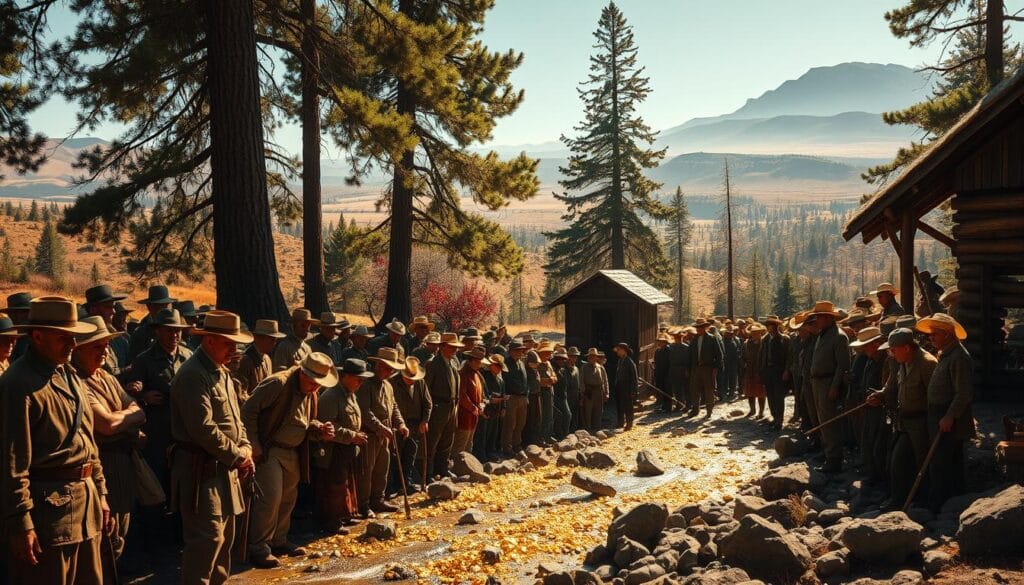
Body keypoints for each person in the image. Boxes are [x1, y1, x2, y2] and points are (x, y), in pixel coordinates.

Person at [0, 296, 112, 585]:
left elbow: (88, 443)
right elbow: (12, 464)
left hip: (85, 508)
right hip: (48, 519)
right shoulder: (18, 384)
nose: (73, 345)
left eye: (74, 337)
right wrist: (21, 523)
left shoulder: (68, 374)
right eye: (64, 337)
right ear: (37, 336)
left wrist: (100, 492)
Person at [169, 310, 254, 585]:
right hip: (200, 473)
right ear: (209, 341)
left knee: (225, 539)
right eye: (229, 342)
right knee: (207, 540)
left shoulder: (222, 372)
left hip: (223, 470)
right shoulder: (193, 375)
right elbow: (203, 429)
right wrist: (239, 455)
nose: (234, 348)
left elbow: (235, 419)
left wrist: (245, 447)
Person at [241, 353, 336, 568]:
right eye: (311, 382)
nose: (314, 388)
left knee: (288, 497)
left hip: (293, 451)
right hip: (269, 449)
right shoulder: (278, 383)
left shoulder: (311, 391)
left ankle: (279, 540)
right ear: (302, 372)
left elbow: (304, 421)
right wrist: (253, 443)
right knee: (270, 498)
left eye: (318, 384)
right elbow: (248, 411)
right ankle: (259, 547)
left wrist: (319, 428)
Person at [72, 316, 147, 581]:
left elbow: (137, 410)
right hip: (103, 465)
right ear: (77, 349)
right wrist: (126, 416)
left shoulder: (105, 376)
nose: (104, 351)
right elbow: (105, 425)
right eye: (96, 346)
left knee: (120, 531)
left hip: (123, 464)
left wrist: (122, 417)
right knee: (106, 535)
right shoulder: (78, 382)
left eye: (106, 345)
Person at [122, 307, 192, 550]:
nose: (174, 336)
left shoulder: (188, 356)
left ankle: (179, 538)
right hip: (157, 436)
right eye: (169, 331)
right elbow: (129, 397)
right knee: (156, 489)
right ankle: (155, 543)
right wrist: (143, 398)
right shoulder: (144, 360)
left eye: (178, 331)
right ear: (157, 332)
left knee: (181, 487)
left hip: (183, 435)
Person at [867, 328, 936, 508]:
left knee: (923, 462)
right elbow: (892, 386)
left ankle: (925, 502)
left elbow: (934, 399)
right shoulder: (902, 361)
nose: (890, 353)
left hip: (921, 423)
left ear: (906, 347)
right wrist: (880, 395)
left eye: (893, 349)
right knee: (895, 460)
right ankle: (898, 499)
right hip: (904, 422)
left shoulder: (927, 363)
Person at [916, 313, 974, 510]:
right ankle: (952, 503)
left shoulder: (959, 357)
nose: (930, 338)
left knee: (941, 461)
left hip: (949, 417)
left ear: (947, 335)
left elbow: (964, 392)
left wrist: (950, 416)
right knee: (947, 460)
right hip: (940, 415)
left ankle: (940, 503)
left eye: (934, 335)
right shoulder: (947, 354)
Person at [314, 359, 371, 533]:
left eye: (362, 380)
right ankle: (331, 522)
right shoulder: (331, 396)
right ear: (345, 376)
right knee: (334, 486)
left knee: (345, 485)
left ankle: (343, 515)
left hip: (347, 449)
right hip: (333, 451)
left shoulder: (350, 394)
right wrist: (353, 436)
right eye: (357, 379)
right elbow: (330, 426)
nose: (360, 383)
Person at [357, 347, 408, 515]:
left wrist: (400, 424)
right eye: (387, 368)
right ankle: (363, 504)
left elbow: (393, 407)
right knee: (367, 471)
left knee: (382, 469)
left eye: (392, 369)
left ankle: (378, 500)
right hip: (370, 435)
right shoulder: (366, 384)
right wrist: (380, 428)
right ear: (378, 365)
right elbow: (365, 412)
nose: (389, 372)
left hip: (385, 435)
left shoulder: (388, 385)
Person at [807, 301, 851, 473]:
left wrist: (834, 387)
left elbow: (843, 365)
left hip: (828, 383)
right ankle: (828, 453)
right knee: (822, 420)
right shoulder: (822, 335)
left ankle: (834, 460)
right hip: (818, 382)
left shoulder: (839, 337)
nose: (816, 320)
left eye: (818, 317)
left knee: (830, 422)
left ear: (827, 318)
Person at [849, 326, 889, 480]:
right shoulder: (870, 360)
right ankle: (870, 473)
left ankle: (879, 478)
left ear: (876, 344)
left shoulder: (885, 361)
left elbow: (889, 387)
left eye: (866, 345)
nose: (864, 349)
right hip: (868, 407)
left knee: (879, 444)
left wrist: (880, 398)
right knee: (867, 439)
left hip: (881, 410)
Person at [391, 357, 432, 492]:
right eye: (409, 378)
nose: (411, 381)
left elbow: (428, 404)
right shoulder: (392, 382)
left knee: (410, 455)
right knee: (396, 455)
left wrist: (424, 420)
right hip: (398, 425)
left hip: (415, 425)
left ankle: (406, 483)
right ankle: (394, 485)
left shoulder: (420, 383)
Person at [236, 319, 286, 404]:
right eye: (271, 339)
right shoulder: (246, 361)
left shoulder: (267, 359)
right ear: (258, 338)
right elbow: (241, 394)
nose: (274, 343)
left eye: (275, 340)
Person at [83, 284, 129, 375]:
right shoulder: (87, 338)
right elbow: (109, 372)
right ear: (93, 309)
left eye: (113, 307)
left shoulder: (112, 334)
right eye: (108, 307)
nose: (114, 311)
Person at [453, 347, 489, 454]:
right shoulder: (463, 374)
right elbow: (461, 395)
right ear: (471, 360)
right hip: (464, 415)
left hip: (474, 415)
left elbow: (481, 394)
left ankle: (466, 467)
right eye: (478, 361)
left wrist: (482, 405)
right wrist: (472, 407)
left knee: (469, 444)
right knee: (460, 444)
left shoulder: (477, 374)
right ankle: (456, 467)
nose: (480, 364)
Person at [126, 285, 176, 362]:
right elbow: (133, 363)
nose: (164, 310)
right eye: (160, 306)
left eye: (166, 306)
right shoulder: (140, 333)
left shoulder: (175, 329)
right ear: (150, 307)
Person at [759, 316, 791, 430]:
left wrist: (787, 370)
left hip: (779, 371)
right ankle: (774, 417)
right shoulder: (764, 339)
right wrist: (761, 372)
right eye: (767, 326)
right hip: (768, 371)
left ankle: (779, 420)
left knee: (779, 397)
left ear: (776, 326)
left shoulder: (784, 339)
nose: (768, 328)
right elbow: (761, 356)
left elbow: (789, 357)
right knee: (770, 396)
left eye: (770, 325)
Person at [689, 318, 722, 418]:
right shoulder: (694, 339)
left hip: (708, 368)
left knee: (709, 390)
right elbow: (690, 355)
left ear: (705, 328)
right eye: (697, 328)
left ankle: (709, 411)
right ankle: (695, 410)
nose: (698, 329)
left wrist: (716, 368)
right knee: (695, 389)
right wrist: (690, 368)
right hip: (696, 368)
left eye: (700, 327)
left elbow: (719, 355)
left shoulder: (712, 338)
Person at [501, 340, 530, 454]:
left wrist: (526, 394)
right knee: (510, 424)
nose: (519, 352)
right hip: (511, 397)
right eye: (517, 350)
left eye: (521, 350)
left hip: (522, 397)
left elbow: (525, 380)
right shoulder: (506, 363)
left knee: (520, 423)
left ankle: (516, 445)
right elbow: (507, 381)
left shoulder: (522, 363)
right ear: (511, 351)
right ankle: (507, 448)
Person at [478, 353, 508, 459]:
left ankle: (492, 450)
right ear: (491, 365)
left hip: (497, 410)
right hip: (487, 409)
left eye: (500, 367)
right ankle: (483, 454)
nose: (499, 369)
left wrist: (503, 407)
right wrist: (496, 399)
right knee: (484, 433)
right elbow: (485, 395)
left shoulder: (500, 380)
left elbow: (503, 393)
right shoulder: (485, 377)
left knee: (494, 432)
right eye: (497, 366)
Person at [579, 348, 608, 433]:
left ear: (597, 357)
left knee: (598, 411)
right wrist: (583, 391)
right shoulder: (584, 367)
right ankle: (588, 429)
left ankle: (597, 429)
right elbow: (581, 380)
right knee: (588, 411)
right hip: (588, 392)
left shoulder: (600, 368)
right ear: (588, 358)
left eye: (594, 356)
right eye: (590, 357)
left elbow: (605, 381)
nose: (592, 358)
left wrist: (606, 393)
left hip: (599, 391)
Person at [535, 342, 558, 443]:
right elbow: (537, 380)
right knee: (541, 416)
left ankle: (548, 435)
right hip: (541, 392)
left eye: (549, 353)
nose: (548, 355)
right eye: (546, 353)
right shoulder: (537, 364)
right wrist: (549, 380)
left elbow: (554, 376)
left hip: (549, 391)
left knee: (549, 415)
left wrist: (552, 379)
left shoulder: (548, 363)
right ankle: (541, 437)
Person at [742, 323, 766, 418]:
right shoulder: (747, 343)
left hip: (759, 370)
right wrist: (744, 364)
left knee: (760, 392)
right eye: (753, 333)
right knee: (750, 392)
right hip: (749, 371)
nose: (755, 335)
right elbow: (743, 356)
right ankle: (752, 410)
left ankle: (761, 412)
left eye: (757, 333)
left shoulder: (764, 343)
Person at [613, 342, 638, 430]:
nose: (617, 352)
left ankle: (629, 423)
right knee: (619, 405)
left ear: (624, 350)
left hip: (627, 387)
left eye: (619, 350)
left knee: (628, 406)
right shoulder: (620, 361)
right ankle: (620, 422)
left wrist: (633, 390)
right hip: (620, 386)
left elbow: (634, 377)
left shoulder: (629, 362)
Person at [667, 328, 691, 413]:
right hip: (674, 369)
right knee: (676, 388)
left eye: (679, 337)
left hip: (683, 369)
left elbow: (688, 361)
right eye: (676, 337)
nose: (677, 339)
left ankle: (687, 405)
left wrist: (687, 371)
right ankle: (679, 404)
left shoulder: (686, 347)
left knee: (685, 388)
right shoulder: (671, 347)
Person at [4, 291, 32, 361]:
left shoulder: (39, 338)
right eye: (14, 312)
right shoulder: (5, 337)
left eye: (23, 312)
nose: (19, 317)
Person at [563, 347, 582, 432]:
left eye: (575, 356)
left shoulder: (577, 369)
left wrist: (580, 394)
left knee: (575, 414)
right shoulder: (564, 368)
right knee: (567, 415)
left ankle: (573, 432)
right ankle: (566, 433)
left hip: (576, 395)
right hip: (567, 395)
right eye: (572, 356)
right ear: (568, 356)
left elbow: (578, 383)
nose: (574, 358)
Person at [721, 326, 741, 401]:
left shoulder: (725, 342)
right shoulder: (732, 342)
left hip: (729, 363)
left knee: (727, 378)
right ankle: (731, 392)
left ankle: (728, 392)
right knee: (731, 378)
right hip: (731, 363)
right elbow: (736, 353)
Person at [653, 333, 671, 412]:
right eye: (659, 341)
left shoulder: (669, 350)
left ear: (665, 342)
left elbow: (670, 362)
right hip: (659, 373)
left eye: (661, 341)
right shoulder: (657, 351)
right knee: (661, 389)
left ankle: (668, 407)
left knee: (667, 390)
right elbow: (656, 362)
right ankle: (663, 406)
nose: (659, 343)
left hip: (667, 373)